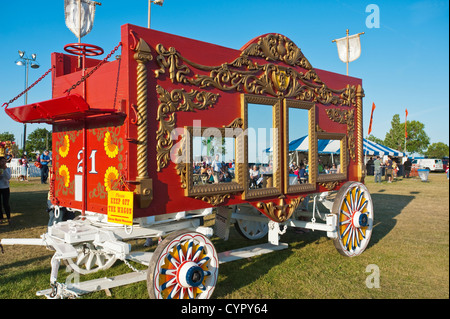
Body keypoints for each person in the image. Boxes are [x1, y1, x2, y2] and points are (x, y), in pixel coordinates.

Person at [0, 156, 12, 225]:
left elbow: (8, 177)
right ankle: (1, 218)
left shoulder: (8, 169)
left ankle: (8, 218)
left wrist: (4, 170)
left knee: (6, 203)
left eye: (4, 161)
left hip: (5, 187)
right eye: (2, 161)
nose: (4, 163)